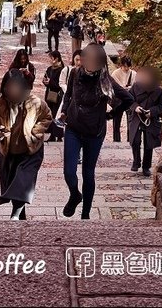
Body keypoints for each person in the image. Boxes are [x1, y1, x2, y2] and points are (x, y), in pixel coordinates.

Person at [60, 43, 133, 220]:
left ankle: (86, 213)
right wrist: (64, 110)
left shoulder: (106, 80)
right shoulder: (75, 73)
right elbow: (68, 93)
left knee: (87, 173)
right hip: (73, 128)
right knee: (69, 172)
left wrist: (112, 114)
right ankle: (75, 195)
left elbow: (128, 99)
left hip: (94, 132)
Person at [0, 69, 53, 220]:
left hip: (31, 151)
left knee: (23, 182)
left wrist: (36, 132)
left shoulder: (35, 103)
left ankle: (15, 216)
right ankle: (20, 218)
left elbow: (47, 117)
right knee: (13, 183)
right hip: (9, 152)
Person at [127, 66, 162, 176]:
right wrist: (135, 107)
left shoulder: (158, 91)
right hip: (137, 117)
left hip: (151, 119)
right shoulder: (136, 87)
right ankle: (136, 161)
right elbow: (128, 100)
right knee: (135, 140)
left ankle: (146, 166)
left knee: (149, 143)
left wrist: (152, 112)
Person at [110, 55, 135, 142]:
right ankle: (116, 140)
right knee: (116, 120)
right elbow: (113, 86)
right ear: (121, 65)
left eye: (128, 66)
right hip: (118, 99)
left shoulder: (133, 74)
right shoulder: (115, 73)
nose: (126, 68)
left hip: (128, 99)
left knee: (130, 121)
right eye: (125, 66)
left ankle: (130, 139)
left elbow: (135, 86)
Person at [41, 50, 65, 141]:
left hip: (57, 96)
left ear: (56, 58)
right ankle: (51, 134)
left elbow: (60, 84)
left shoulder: (61, 70)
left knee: (57, 115)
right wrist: (45, 82)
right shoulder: (49, 69)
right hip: (49, 94)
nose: (50, 60)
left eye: (51, 58)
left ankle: (59, 135)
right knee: (50, 114)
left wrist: (50, 82)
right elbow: (46, 78)